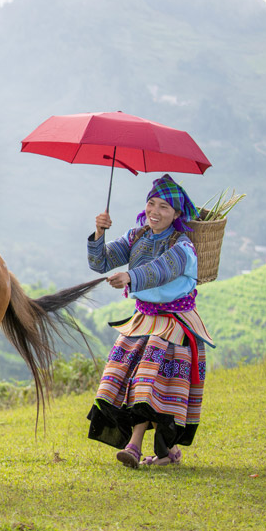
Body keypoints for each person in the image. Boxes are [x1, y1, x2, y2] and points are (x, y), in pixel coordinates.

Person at [85, 174, 214, 468]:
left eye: (164, 208)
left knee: (146, 384)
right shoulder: (136, 236)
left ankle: (134, 446)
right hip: (142, 321)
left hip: (173, 324)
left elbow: (161, 270)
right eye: (152, 204)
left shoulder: (183, 246)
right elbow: (100, 262)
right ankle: (165, 453)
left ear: (177, 215)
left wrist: (130, 276)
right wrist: (99, 232)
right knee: (127, 381)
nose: (155, 212)